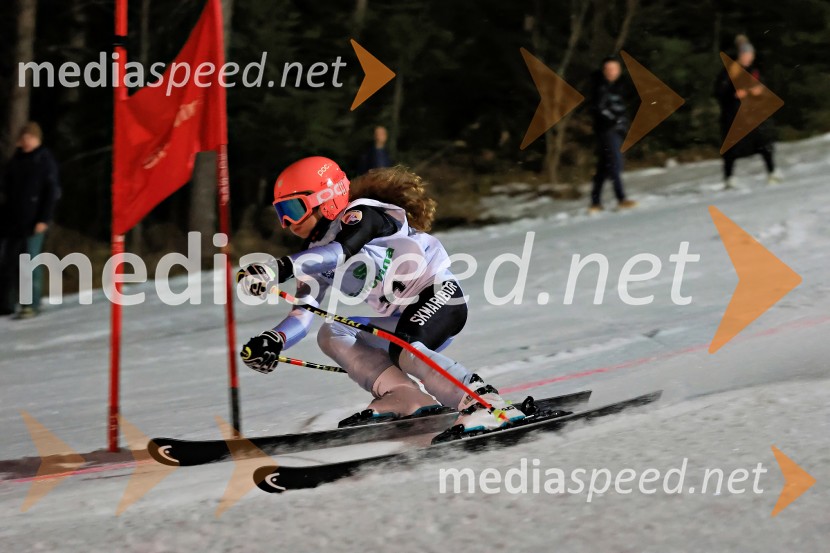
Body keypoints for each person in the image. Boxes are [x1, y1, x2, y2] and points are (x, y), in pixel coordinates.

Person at [236, 157, 525, 432]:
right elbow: (302, 312)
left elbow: (339, 251)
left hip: (440, 295)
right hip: (402, 318)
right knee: (332, 332)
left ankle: (485, 403)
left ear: (325, 198)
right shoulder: (312, 259)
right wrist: (273, 341)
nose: (287, 222)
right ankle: (405, 396)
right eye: (280, 214)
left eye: (294, 210)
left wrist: (278, 267)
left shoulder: (361, 215)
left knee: (403, 347)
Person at [0, 122, 61, 318]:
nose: (26, 141)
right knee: (8, 262)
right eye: (24, 137)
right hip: (13, 221)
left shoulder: (44, 160)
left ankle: (30, 304)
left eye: (30, 137)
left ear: (37, 139)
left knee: (29, 261)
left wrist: (44, 218)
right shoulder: (15, 162)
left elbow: (51, 191)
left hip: (35, 221)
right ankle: (6, 303)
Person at [714, 35, 780, 189]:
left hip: (753, 116)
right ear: (741, 55)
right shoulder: (729, 71)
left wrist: (760, 91)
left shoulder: (753, 70)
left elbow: (764, 88)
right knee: (731, 150)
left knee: (765, 144)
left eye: (751, 55)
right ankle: (729, 179)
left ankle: (773, 172)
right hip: (734, 117)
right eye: (747, 55)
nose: (750, 58)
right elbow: (719, 91)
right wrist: (733, 95)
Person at [589, 56, 636, 214]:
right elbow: (600, 109)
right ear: (603, 71)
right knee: (615, 162)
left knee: (604, 166)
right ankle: (621, 198)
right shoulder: (600, 87)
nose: (611, 72)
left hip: (616, 130)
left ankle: (595, 202)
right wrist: (615, 121)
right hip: (607, 131)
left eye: (614, 69)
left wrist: (623, 124)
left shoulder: (618, 86)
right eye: (608, 69)